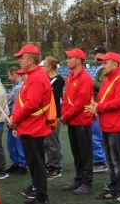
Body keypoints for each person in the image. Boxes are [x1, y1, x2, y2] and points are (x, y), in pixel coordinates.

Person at [8, 44, 54, 204]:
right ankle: (39, 196)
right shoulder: (34, 76)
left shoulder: (36, 77)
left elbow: (31, 105)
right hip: (29, 127)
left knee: (37, 164)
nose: (19, 60)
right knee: (35, 163)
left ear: (30, 60)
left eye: (21, 57)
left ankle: (42, 199)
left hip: (33, 127)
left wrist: (15, 119)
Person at [85, 51, 120, 204]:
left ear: (115, 64)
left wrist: (98, 107)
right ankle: (113, 189)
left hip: (115, 125)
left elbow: (118, 102)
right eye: (102, 63)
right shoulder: (108, 79)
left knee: (116, 161)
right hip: (106, 124)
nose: (102, 65)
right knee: (110, 161)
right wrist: (95, 107)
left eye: (105, 63)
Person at [60, 48, 95, 194]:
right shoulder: (70, 76)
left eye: (69, 58)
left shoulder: (85, 78)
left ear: (78, 60)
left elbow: (81, 102)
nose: (67, 60)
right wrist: (64, 113)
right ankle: (79, 179)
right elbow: (66, 97)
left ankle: (87, 183)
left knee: (85, 153)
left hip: (81, 121)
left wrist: (66, 116)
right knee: (76, 152)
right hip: (72, 120)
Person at [43, 56, 65, 180]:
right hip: (45, 115)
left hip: (54, 114)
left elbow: (54, 97)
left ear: (49, 67)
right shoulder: (46, 79)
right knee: (46, 142)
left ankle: (56, 167)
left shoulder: (59, 80)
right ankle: (50, 164)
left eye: (44, 65)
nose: (42, 67)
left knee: (53, 142)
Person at [89, 47, 109, 173]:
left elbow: (103, 86)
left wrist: (91, 83)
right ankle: (100, 159)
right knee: (97, 134)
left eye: (96, 54)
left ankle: (101, 161)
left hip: (100, 104)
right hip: (98, 103)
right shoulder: (100, 68)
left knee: (96, 134)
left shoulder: (103, 68)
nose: (94, 56)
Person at [6, 67, 28, 175]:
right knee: (12, 143)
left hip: (17, 118)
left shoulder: (20, 87)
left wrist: (13, 118)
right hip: (13, 117)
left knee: (18, 142)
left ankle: (22, 165)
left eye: (10, 75)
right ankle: (16, 163)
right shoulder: (17, 86)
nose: (9, 78)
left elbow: (14, 104)